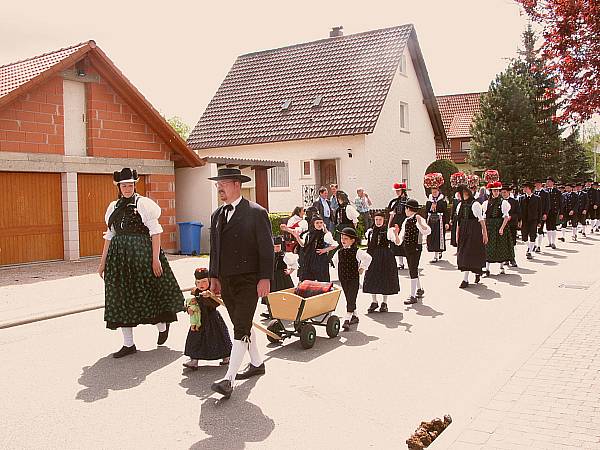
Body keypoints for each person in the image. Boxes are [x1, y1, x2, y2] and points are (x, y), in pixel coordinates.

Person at [98, 168, 184, 358]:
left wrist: (155, 259)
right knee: (120, 299)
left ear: (135, 185)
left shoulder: (143, 204)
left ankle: (162, 326)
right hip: (118, 259)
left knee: (148, 295)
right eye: (124, 185)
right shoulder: (113, 207)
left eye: (130, 185)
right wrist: (102, 262)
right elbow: (110, 235)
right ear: (118, 187)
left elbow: (155, 232)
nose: (127, 188)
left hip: (142, 256)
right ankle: (128, 344)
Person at [208, 168, 274, 399]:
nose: (220, 189)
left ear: (237, 184)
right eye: (218, 185)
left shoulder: (256, 212)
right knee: (241, 323)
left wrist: (265, 277)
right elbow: (215, 249)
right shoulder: (217, 215)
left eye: (223, 184)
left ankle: (228, 379)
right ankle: (257, 363)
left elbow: (266, 248)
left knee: (240, 327)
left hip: (249, 279)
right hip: (227, 280)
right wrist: (213, 276)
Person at [183, 268, 231, 370]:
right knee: (195, 338)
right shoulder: (196, 291)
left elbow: (216, 303)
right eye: (198, 282)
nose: (201, 284)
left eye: (204, 281)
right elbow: (190, 303)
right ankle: (194, 361)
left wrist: (209, 297)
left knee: (218, 337)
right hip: (198, 319)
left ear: (209, 281)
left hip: (212, 319)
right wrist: (188, 309)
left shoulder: (213, 292)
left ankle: (226, 357)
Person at [332, 227, 372, 331]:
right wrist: (339, 269)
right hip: (343, 278)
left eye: (346, 238)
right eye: (342, 238)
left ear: (352, 240)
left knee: (351, 296)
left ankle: (347, 319)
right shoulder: (339, 252)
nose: (343, 240)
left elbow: (368, 258)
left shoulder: (357, 251)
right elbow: (335, 261)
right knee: (348, 296)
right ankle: (355, 316)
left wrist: (362, 267)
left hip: (353, 278)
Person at [363, 211, 400, 313]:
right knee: (372, 278)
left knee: (385, 278)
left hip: (385, 256)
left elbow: (397, 242)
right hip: (372, 256)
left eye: (380, 220)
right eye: (376, 220)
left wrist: (396, 234)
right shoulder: (370, 231)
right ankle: (374, 302)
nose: (378, 222)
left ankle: (384, 303)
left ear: (384, 220)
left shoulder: (388, 231)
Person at [398, 199, 431, 304]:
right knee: (413, 268)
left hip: (416, 248)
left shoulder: (418, 218)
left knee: (412, 269)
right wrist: (395, 235)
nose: (404, 210)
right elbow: (401, 237)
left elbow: (427, 231)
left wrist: (421, 224)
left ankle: (412, 296)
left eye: (405, 208)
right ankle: (419, 289)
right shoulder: (406, 221)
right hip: (407, 248)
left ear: (409, 209)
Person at [456, 185, 488, 288]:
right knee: (464, 253)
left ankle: (466, 279)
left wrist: (485, 234)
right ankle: (474, 274)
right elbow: (459, 222)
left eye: (464, 193)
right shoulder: (460, 205)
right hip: (464, 231)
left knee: (471, 253)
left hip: (474, 231)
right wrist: (457, 234)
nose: (462, 195)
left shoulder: (475, 204)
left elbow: (481, 220)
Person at [260, 236, 297, 319]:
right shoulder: (268, 255)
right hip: (271, 277)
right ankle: (270, 310)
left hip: (281, 278)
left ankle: (282, 311)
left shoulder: (284, 255)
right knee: (270, 293)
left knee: (281, 293)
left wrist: (289, 271)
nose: (276, 248)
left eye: (278, 246)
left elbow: (294, 264)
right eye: (274, 246)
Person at [293, 215, 338, 282]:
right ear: (313, 224)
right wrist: (297, 237)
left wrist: (324, 250)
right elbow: (303, 245)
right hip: (309, 258)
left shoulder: (325, 235)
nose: (319, 224)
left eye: (321, 222)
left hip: (320, 259)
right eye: (317, 223)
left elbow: (335, 245)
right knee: (308, 279)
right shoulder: (308, 234)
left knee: (322, 279)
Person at [482, 182, 513, 276]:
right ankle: (486, 269)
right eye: (494, 191)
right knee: (487, 247)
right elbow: (484, 217)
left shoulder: (503, 203)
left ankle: (501, 267)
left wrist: (502, 228)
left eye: (497, 191)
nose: (496, 192)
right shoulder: (486, 203)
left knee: (500, 247)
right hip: (489, 227)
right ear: (491, 192)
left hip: (499, 225)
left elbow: (506, 217)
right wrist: (483, 229)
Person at [518, 181, 542, 259]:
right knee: (524, 237)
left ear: (529, 188)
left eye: (525, 187)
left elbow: (539, 211)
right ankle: (530, 246)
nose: (524, 189)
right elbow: (519, 210)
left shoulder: (537, 198)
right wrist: (519, 220)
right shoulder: (521, 198)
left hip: (533, 219)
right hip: (524, 220)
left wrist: (539, 221)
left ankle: (529, 252)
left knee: (533, 235)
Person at [388, 183, 409, 269]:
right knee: (396, 243)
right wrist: (389, 224)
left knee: (405, 242)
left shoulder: (408, 201)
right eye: (396, 191)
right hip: (396, 223)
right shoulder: (394, 202)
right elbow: (391, 214)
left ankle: (410, 262)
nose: (397, 192)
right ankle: (400, 263)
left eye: (398, 191)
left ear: (403, 191)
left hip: (404, 222)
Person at [425, 186, 448, 262]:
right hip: (431, 221)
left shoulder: (442, 201)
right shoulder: (429, 201)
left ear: (438, 192)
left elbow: (445, 212)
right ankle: (436, 252)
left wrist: (446, 222)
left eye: (435, 192)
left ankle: (436, 255)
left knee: (438, 237)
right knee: (432, 237)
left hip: (439, 221)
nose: (434, 193)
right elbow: (426, 212)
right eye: (432, 192)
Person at [500, 184, 519, 267]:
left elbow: (518, 213)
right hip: (502, 225)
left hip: (511, 224)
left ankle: (512, 258)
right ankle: (505, 259)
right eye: (502, 192)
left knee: (512, 242)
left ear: (508, 192)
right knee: (504, 242)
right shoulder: (499, 201)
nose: (503, 194)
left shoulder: (514, 201)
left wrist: (511, 217)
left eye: (505, 192)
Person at [544, 177, 563, 249]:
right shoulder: (545, 191)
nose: (547, 183)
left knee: (553, 226)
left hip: (554, 211)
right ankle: (549, 242)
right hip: (547, 212)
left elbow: (561, 203)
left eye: (549, 182)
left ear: (552, 182)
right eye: (547, 182)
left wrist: (561, 213)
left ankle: (553, 242)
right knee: (548, 227)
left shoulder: (557, 191)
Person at [533, 180, 550, 253]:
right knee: (532, 231)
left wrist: (545, 213)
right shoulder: (532, 192)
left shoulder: (545, 193)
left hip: (541, 214)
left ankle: (539, 246)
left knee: (540, 230)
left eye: (539, 184)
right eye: (536, 184)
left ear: (541, 185)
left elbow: (547, 204)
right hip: (533, 215)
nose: (537, 185)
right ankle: (533, 245)